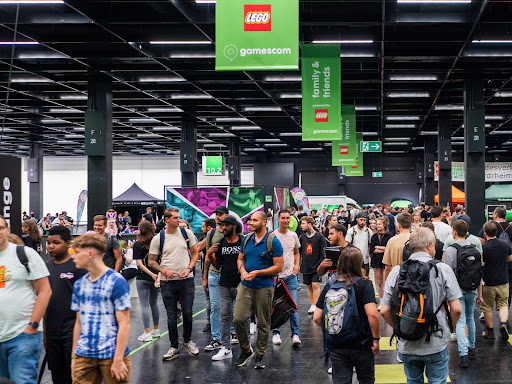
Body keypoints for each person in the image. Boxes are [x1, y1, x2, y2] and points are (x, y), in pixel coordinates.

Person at [381, 228, 462, 384]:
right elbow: (456, 308)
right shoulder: (442, 269)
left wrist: (399, 328)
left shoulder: (397, 271)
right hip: (436, 340)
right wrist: (449, 329)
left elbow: (384, 310)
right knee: (437, 380)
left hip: (407, 341)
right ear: (430, 245)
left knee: (413, 380)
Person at [313, 246, 380, 384]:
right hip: (361, 343)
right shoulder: (364, 284)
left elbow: (317, 317)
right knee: (366, 379)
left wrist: (331, 330)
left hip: (336, 343)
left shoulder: (330, 284)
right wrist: (375, 339)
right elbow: (373, 315)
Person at [70, 234, 132, 383]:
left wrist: (118, 359)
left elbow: (125, 323)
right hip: (84, 354)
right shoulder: (79, 284)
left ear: (90, 254)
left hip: (111, 354)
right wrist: (74, 357)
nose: (73, 256)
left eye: (77, 252)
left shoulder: (116, 282)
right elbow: (78, 323)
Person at [0, 215, 52, 384]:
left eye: (0, 228)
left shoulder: (24, 254)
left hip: (22, 335)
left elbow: (45, 290)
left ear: (8, 230)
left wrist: (33, 325)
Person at [148, 208, 199, 360]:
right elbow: (151, 261)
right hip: (167, 282)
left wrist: (189, 268)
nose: (179, 220)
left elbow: (195, 253)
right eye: (176, 218)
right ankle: (174, 346)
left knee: (188, 313)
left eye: (179, 217)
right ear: (167, 220)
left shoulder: (186, 234)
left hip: (186, 280)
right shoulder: (159, 238)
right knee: (172, 316)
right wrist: (164, 271)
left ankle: (188, 341)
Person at [234, 211, 283, 369]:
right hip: (246, 286)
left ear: (264, 222)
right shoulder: (247, 239)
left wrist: (258, 273)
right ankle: (246, 350)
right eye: (249, 221)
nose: (250, 223)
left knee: (263, 322)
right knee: (239, 318)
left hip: (264, 287)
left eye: (254, 220)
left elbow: (278, 267)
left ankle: (260, 354)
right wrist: (242, 272)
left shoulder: (273, 241)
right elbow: (240, 259)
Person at [44, 226, 86, 384]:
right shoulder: (46, 267)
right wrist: (45, 334)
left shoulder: (77, 267)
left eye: (56, 242)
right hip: (52, 333)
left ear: (68, 243)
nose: (51, 246)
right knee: (57, 375)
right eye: (48, 242)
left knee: (74, 375)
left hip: (72, 332)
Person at [442, 219, 481, 367]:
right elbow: (479, 272)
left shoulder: (452, 250)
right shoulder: (475, 248)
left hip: (457, 292)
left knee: (459, 321)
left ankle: (463, 354)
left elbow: (447, 274)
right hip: (472, 288)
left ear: (454, 232)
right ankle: (472, 348)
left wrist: (446, 295)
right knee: (470, 319)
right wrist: (480, 293)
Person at [208, 215, 242, 361]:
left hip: (241, 284)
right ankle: (225, 347)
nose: (223, 228)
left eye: (226, 225)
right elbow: (217, 265)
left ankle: (245, 346)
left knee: (241, 317)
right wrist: (209, 255)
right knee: (225, 316)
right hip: (224, 284)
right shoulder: (220, 242)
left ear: (234, 226)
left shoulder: (243, 241)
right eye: (222, 225)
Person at [272, 209, 301, 346]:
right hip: (276, 277)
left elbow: (296, 252)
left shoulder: (293, 235)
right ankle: (276, 333)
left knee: (293, 306)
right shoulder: (272, 236)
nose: (285, 220)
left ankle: (295, 334)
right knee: (275, 305)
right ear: (278, 219)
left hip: (290, 276)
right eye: (283, 218)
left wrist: (297, 265)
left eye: (288, 218)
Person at [202, 206, 229, 352]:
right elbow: (207, 256)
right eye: (216, 215)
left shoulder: (234, 232)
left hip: (229, 275)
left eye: (221, 214)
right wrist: (205, 276)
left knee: (230, 306)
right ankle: (216, 338)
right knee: (215, 307)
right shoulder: (211, 233)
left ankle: (231, 333)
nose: (218, 217)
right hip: (214, 273)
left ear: (227, 215)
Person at [480, 221, 512, 341]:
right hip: (503, 280)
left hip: (489, 281)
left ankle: (490, 331)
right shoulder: (504, 245)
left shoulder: (484, 248)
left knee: (487, 307)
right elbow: (510, 258)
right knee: (503, 304)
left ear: (485, 233)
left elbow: (482, 263)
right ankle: (503, 323)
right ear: (496, 232)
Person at [133, 220, 160, 342]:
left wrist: (150, 274)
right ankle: (156, 330)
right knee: (154, 303)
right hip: (156, 277)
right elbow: (162, 261)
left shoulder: (138, 244)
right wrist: (157, 275)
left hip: (143, 278)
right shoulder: (157, 242)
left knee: (144, 305)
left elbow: (139, 264)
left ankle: (147, 332)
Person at [299, 216, 327, 315]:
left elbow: (323, 251)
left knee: (316, 285)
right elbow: (299, 251)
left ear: (309, 224)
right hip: (306, 265)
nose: (301, 225)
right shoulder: (302, 237)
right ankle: (312, 304)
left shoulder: (319, 236)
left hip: (317, 265)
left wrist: (320, 264)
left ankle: (316, 305)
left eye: (303, 223)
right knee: (309, 286)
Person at [198, 218, 216, 333]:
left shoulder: (209, 236)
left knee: (212, 301)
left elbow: (197, 248)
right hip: (208, 272)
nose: (201, 228)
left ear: (209, 228)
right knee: (210, 300)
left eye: (203, 227)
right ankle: (211, 323)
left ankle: (211, 323)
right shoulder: (203, 238)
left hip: (213, 272)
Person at [383, 212, 412, 280]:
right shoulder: (416, 239)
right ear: (411, 225)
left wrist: (387, 282)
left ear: (399, 226)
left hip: (397, 279)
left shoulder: (392, 241)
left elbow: (387, 267)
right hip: (413, 280)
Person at [370, 217, 392, 303]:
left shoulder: (389, 235)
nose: (377, 226)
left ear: (384, 225)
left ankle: (387, 300)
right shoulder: (374, 236)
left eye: (379, 224)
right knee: (379, 282)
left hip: (386, 260)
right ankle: (381, 300)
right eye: (377, 224)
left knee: (386, 281)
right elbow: (372, 249)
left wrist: (378, 247)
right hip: (376, 261)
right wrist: (383, 249)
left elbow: (389, 248)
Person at [346, 212, 373, 276]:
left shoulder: (369, 231)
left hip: (365, 259)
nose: (363, 222)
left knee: (365, 278)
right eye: (361, 220)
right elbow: (347, 245)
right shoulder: (351, 231)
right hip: (353, 259)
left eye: (364, 220)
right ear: (357, 219)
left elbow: (370, 245)